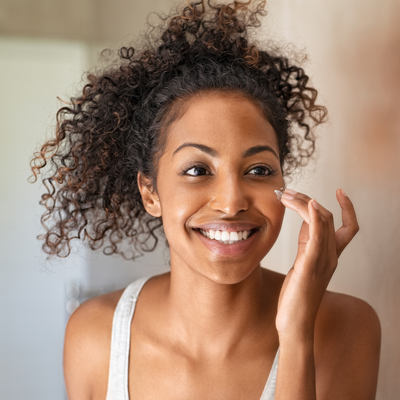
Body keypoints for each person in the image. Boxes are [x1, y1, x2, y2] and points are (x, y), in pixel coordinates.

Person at [30, 1, 381, 399]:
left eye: (259, 170)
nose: (231, 202)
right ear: (150, 192)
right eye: (197, 170)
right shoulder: (96, 335)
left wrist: (297, 332)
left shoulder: (346, 326)